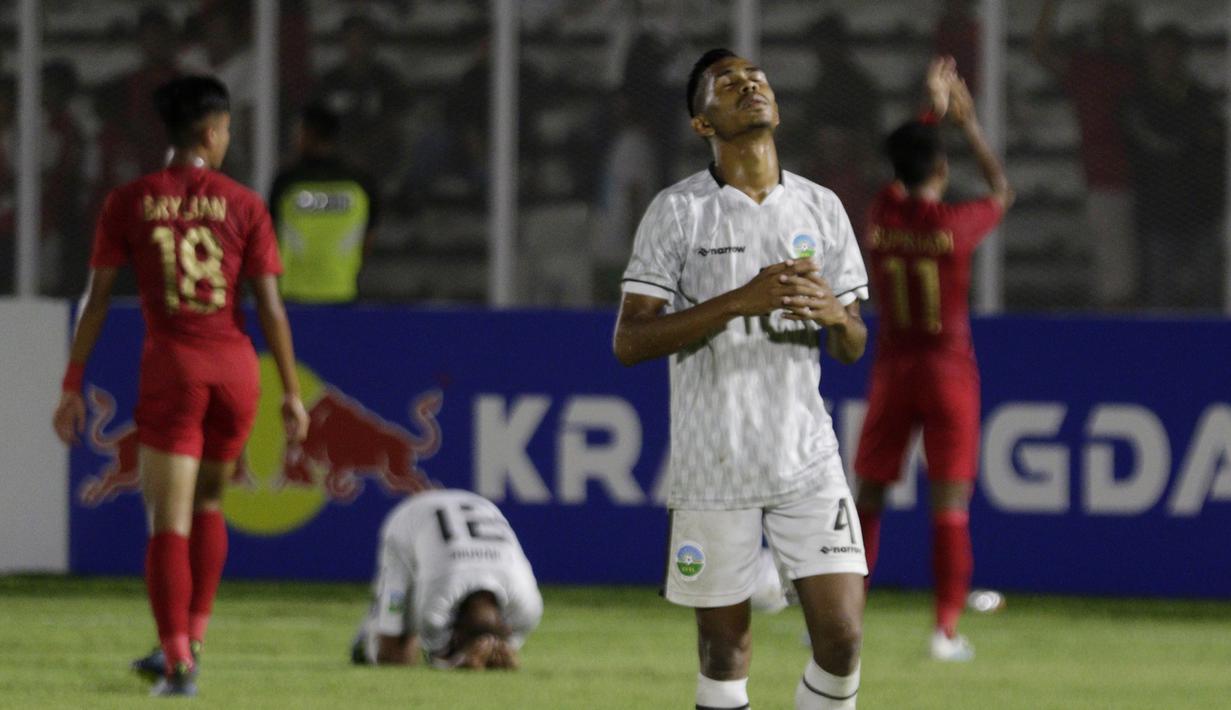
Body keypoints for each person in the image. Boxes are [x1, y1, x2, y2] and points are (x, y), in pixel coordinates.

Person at [613, 48, 871, 710]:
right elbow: (629, 341)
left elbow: (852, 344)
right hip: (713, 462)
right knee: (725, 654)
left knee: (842, 640)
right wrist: (736, 302)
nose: (748, 84)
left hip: (804, 457)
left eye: (755, 77)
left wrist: (836, 316)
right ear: (702, 124)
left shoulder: (821, 207)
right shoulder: (678, 212)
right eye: (725, 84)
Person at [51, 75, 310, 697]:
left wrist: (73, 382)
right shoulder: (246, 204)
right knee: (210, 506)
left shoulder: (130, 200)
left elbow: (96, 300)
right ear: (211, 132)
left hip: (175, 367)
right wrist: (291, 392)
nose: (228, 139)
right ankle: (191, 640)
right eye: (227, 130)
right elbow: (271, 308)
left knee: (167, 520)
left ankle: (176, 663)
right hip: (236, 372)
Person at [853, 58, 1014, 663]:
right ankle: (944, 631)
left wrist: (930, 113)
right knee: (949, 505)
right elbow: (1001, 192)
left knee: (869, 495)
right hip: (948, 372)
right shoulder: (954, 225)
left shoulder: (881, 216)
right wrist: (966, 123)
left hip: (893, 370)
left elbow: (906, 158)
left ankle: (844, 618)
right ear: (943, 170)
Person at [350, 489, 543, 670]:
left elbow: (501, 649)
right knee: (393, 656)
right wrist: (460, 661)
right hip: (408, 525)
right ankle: (371, 632)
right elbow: (437, 660)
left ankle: (383, 616)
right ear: (455, 633)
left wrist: (496, 655)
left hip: (479, 509)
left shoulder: (528, 609)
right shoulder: (433, 611)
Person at [1033, 0, 1140, 308]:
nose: (1120, 36)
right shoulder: (1088, 68)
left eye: (1125, 29)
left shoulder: (1140, 70)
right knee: (1116, 277)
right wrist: (1050, 7)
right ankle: (1115, 327)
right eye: (1113, 29)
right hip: (1107, 181)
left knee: (1133, 272)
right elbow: (1041, 52)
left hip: (1151, 184)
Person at [1121, 25, 1225, 311]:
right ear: (1150, 56)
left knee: (1209, 292)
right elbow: (1155, 143)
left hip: (1201, 208)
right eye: (1161, 53)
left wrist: (1188, 134)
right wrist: (1192, 135)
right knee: (1160, 296)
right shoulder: (1137, 99)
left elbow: (1215, 137)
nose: (1167, 59)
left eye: (1173, 53)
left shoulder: (1199, 96)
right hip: (1158, 210)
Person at [268, 102, 379, 303]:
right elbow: (368, 237)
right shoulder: (360, 181)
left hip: (293, 294)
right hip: (342, 291)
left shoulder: (287, 181)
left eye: (297, 131)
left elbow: (270, 235)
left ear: (308, 133)